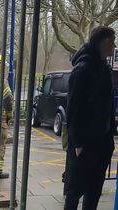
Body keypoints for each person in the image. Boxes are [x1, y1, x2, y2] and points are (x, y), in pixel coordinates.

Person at [64, 26, 116, 210]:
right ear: (103, 42)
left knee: (94, 189)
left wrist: (110, 138)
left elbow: (107, 106)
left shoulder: (104, 68)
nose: (114, 45)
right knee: (75, 190)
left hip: (102, 140)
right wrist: (77, 143)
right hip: (85, 143)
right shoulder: (83, 70)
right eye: (112, 41)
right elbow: (74, 109)